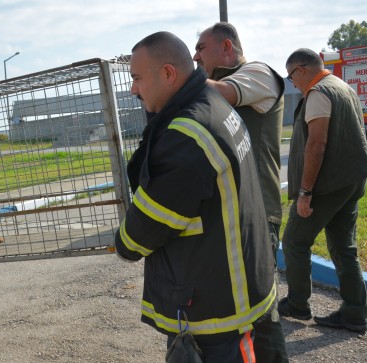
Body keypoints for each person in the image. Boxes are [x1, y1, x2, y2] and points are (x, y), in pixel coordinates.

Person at [115, 31, 276, 362]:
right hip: (239, 286)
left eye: (137, 79)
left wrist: (121, 242)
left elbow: (141, 234)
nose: (133, 89)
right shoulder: (213, 104)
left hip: (214, 312)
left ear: (169, 73)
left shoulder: (186, 136)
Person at [193, 22, 288, 362]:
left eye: (200, 48)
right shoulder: (217, 84)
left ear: (227, 48)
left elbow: (217, 92)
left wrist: (168, 74)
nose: (195, 56)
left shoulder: (258, 74)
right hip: (231, 214)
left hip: (257, 214)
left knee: (260, 311)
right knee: (235, 311)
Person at [278, 48, 367, 334]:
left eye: (292, 77)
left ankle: (297, 304)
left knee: (294, 241)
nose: (293, 83)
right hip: (350, 180)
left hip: (326, 185)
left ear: (301, 69)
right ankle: (355, 312)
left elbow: (317, 144)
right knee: (344, 247)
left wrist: (305, 192)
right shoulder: (343, 87)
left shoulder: (318, 93)